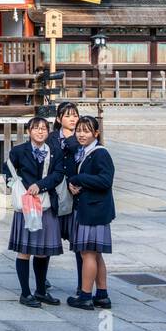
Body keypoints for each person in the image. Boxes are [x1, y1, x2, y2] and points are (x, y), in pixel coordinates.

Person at [2, 116, 65, 307]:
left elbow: (58, 174)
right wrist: (17, 188)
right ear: (29, 131)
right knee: (25, 250)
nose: (40, 132)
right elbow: (8, 172)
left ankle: (40, 290)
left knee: (43, 251)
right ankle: (25, 293)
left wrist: (40, 185)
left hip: (46, 203)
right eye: (36, 128)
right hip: (27, 206)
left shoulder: (54, 151)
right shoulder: (19, 151)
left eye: (44, 128)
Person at [66, 115, 115, 310]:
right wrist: (74, 182)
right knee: (96, 254)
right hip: (93, 208)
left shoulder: (100, 153)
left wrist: (80, 178)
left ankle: (85, 296)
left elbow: (105, 181)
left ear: (96, 133)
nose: (81, 134)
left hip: (94, 210)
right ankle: (102, 295)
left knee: (87, 254)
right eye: (79, 130)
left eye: (86, 131)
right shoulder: (84, 152)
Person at [51, 101, 82, 282]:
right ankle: (42, 282)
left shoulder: (82, 137)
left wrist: (72, 138)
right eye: (68, 115)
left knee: (79, 243)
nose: (73, 119)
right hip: (55, 193)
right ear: (58, 118)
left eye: (75, 115)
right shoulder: (51, 137)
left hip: (75, 195)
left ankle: (82, 283)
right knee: (46, 240)